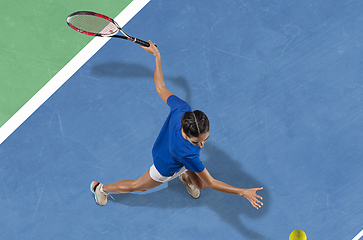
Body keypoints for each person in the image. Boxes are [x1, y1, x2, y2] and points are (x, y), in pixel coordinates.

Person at [90, 41, 264, 209]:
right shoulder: (188, 153)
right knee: (138, 186)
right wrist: (243, 192)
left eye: (205, 139)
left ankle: (186, 177)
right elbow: (212, 182)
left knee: (200, 186)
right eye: (197, 142)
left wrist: (156, 56)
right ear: (185, 134)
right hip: (165, 164)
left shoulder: (182, 109)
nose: (202, 145)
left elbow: (160, 87)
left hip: (178, 158)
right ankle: (101, 188)